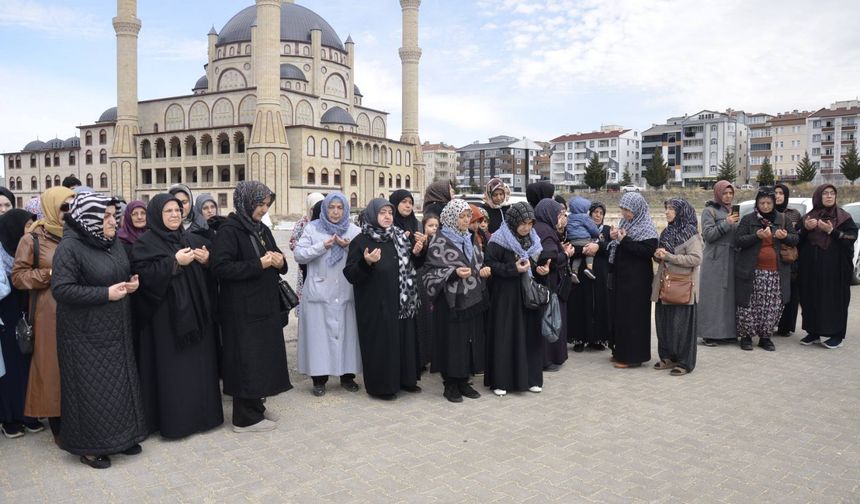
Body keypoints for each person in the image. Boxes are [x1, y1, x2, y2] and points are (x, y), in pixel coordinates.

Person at [51, 192, 148, 469]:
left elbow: (116, 272)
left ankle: (123, 438)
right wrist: (105, 294)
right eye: (105, 216)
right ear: (89, 218)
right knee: (91, 392)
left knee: (119, 387)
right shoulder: (70, 247)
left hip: (115, 328)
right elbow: (62, 289)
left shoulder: (110, 241)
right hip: (83, 335)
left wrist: (129, 282)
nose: (112, 221)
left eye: (113, 216)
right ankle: (91, 448)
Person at [131, 194, 223, 438]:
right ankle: (177, 423)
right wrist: (174, 262)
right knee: (174, 374)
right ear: (156, 215)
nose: (174, 214)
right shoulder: (145, 243)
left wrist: (207, 261)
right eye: (168, 211)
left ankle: (203, 417)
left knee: (199, 370)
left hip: (196, 316)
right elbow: (143, 275)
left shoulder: (189, 238)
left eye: (177, 210)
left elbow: (211, 272)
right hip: (165, 320)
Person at [211, 181, 292, 432]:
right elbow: (221, 267)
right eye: (260, 204)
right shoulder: (230, 230)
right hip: (241, 311)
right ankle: (244, 419)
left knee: (261, 360)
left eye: (267, 205)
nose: (264, 209)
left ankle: (256, 408)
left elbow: (279, 260)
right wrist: (259, 264)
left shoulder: (261, 229)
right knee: (246, 360)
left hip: (264, 308)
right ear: (245, 203)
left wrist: (280, 262)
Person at [344, 198, 425, 400]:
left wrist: (418, 253)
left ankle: (406, 380)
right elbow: (350, 275)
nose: (388, 216)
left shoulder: (399, 237)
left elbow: (413, 265)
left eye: (390, 212)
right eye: (382, 213)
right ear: (372, 215)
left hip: (402, 303)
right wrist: (366, 262)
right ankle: (382, 387)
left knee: (403, 340)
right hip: (376, 306)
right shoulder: (361, 241)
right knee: (382, 345)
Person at [11, 186, 75, 441]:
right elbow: (18, 277)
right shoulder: (32, 239)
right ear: (50, 207)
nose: (69, 212)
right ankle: (58, 424)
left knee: (77, 365)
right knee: (52, 368)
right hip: (48, 312)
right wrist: (49, 274)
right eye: (64, 207)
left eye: (73, 206)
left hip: (78, 308)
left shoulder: (78, 234)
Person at [294, 192, 362, 397]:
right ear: (324, 209)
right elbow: (299, 254)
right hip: (319, 292)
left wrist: (349, 247)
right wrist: (322, 246)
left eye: (340, 208)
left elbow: (363, 257)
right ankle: (319, 379)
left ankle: (347, 376)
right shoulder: (313, 228)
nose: (335, 212)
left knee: (347, 336)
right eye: (331, 207)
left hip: (346, 291)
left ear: (345, 209)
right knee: (319, 339)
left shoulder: (354, 230)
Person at [423, 199, 489, 402]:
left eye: (468, 216)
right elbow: (430, 272)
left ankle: (463, 381)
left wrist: (482, 270)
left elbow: (477, 263)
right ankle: (450, 384)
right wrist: (453, 273)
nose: (466, 220)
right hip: (449, 302)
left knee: (468, 340)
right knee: (451, 342)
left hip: (470, 299)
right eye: (462, 216)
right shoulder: (439, 240)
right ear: (451, 217)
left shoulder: (470, 238)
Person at [483, 202, 547, 396]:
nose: (527, 227)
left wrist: (541, 270)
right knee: (506, 335)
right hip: (506, 296)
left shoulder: (534, 239)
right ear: (513, 221)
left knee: (530, 336)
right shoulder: (499, 239)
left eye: (530, 223)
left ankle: (530, 379)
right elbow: (489, 265)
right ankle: (501, 380)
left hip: (528, 296)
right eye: (523, 223)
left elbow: (534, 264)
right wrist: (513, 268)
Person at [734, 187, 799, 351]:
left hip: (776, 272)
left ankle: (765, 337)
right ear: (757, 203)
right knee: (748, 305)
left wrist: (785, 237)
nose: (765, 206)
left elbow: (795, 239)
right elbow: (738, 240)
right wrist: (756, 236)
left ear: (774, 203)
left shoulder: (782, 219)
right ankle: (746, 337)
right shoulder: (748, 219)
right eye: (761, 202)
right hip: (752, 271)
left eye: (768, 203)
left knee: (771, 306)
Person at [798, 184, 858, 348]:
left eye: (832, 193)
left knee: (834, 300)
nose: (829, 196)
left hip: (835, 269)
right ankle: (813, 332)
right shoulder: (809, 217)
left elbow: (851, 237)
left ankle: (837, 335)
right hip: (811, 267)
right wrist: (805, 228)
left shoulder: (844, 217)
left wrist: (832, 231)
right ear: (819, 196)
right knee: (811, 298)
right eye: (825, 193)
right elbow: (796, 239)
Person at [0, 209, 39, 438]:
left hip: (26, 314)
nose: (30, 230)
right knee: (10, 367)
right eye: (26, 226)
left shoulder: (30, 248)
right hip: (6, 315)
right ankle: (10, 418)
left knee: (27, 364)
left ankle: (28, 414)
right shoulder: (2, 253)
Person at [652, 199, 703, 375]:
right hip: (665, 284)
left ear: (681, 212)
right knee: (664, 323)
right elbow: (662, 255)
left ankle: (685, 362)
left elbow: (696, 259)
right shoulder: (667, 232)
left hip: (683, 286)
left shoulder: (691, 234)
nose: (667, 212)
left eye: (671, 209)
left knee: (682, 327)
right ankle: (668, 357)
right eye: (666, 208)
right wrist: (658, 255)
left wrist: (669, 257)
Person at [608, 192, 658, 368]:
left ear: (637, 209)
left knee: (634, 318)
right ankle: (620, 352)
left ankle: (632, 357)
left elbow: (647, 251)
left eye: (627, 210)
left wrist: (625, 240)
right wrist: (615, 238)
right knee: (621, 316)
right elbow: (621, 246)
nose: (624, 213)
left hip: (637, 281)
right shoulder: (626, 223)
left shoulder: (647, 227)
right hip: (623, 279)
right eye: (623, 209)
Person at [534, 199, 575, 372]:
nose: (560, 218)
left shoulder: (539, 227)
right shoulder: (547, 231)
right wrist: (566, 254)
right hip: (549, 284)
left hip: (541, 283)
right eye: (558, 214)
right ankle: (550, 359)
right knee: (551, 319)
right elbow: (549, 259)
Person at [698, 180, 739, 346]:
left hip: (732, 257)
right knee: (713, 297)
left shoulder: (734, 211)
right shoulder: (709, 211)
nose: (728, 196)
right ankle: (709, 334)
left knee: (728, 297)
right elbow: (708, 235)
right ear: (718, 194)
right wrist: (726, 223)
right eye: (724, 193)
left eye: (730, 193)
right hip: (714, 259)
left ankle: (728, 333)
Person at [568, 202, 611, 352]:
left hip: (600, 272)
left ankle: (597, 339)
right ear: (589, 214)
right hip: (581, 271)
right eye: (595, 212)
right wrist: (585, 249)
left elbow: (610, 248)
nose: (598, 215)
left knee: (599, 304)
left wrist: (598, 247)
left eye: (601, 213)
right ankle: (580, 338)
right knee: (581, 303)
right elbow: (572, 246)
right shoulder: (580, 227)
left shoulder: (607, 230)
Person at [774, 183, 803, 337]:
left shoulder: (794, 214)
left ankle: (785, 327)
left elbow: (799, 236)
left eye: (781, 193)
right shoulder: (765, 212)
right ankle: (769, 323)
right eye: (775, 193)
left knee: (789, 294)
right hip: (770, 258)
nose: (778, 196)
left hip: (788, 259)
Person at [289, 192, 325, 304]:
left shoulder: (327, 222)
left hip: (322, 262)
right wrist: (304, 248)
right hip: (305, 263)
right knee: (306, 292)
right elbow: (292, 242)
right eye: (313, 208)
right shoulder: (302, 223)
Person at [416, 213, 440, 371]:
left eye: (436, 226)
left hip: (437, 285)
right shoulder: (421, 243)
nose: (434, 228)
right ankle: (423, 358)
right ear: (423, 227)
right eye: (430, 225)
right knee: (424, 321)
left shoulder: (441, 242)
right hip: (423, 284)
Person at [565, 196, 600, 283]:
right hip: (584, 240)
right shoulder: (584, 217)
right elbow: (593, 229)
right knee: (589, 252)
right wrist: (597, 234)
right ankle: (589, 268)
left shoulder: (569, 217)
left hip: (573, 241)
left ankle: (574, 272)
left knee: (578, 256)